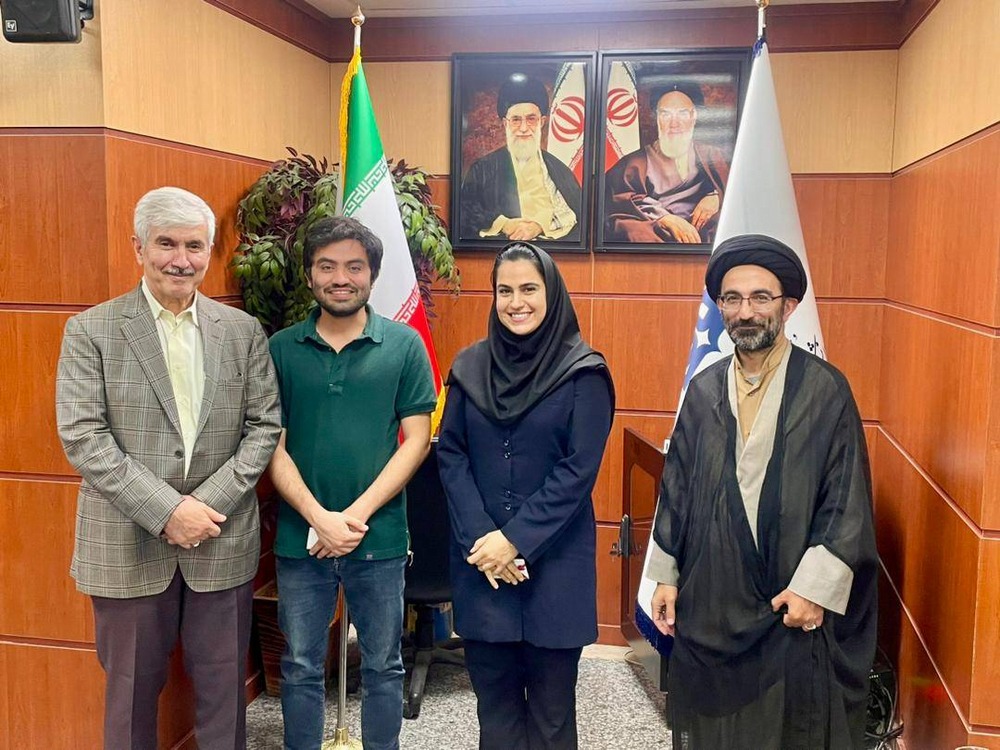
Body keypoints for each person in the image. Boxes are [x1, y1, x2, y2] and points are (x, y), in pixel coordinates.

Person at [55, 186, 283, 749]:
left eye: (195, 246)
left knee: (225, 697)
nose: (181, 259)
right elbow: (83, 436)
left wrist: (203, 507)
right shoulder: (91, 331)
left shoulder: (242, 331)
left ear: (210, 251)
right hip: (126, 543)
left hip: (220, 538)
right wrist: (167, 512)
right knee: (130, 699)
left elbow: (264, 427)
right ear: (138, 247)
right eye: (166, 244)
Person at [648, 234, 878, 748]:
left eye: (760, 298)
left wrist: (814, 589)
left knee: (787, 724)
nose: (745, 312)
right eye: (732, 299)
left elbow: (845, 499)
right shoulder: (704, 390)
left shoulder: (825, 391)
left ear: (788, 306)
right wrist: (665, 576)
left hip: (788, 599)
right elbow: (676, 488)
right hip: (712, 598)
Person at [266, 216, 437, 750]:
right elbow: (270, 446)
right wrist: (319, 519)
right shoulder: (280, 349)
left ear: (372, 275)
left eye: (354, 267)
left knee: (384, 664)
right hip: (301, 539)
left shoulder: (405, 345)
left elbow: (417, 441)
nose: (340, 278)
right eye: (327, 266)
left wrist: (352, 517)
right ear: (309, 274)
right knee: (300, 664)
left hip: (378, 538)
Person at [438, 242, 615, 749]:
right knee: (494, 713)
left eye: (529, 289)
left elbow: (577, 471)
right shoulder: (468, 368)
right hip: (483, 568)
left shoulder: (585, 373)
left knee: (551, 717)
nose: (516, 302)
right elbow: (451, 454)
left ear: (551, 293)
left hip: (554, 571)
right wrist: (484, 540)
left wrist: (513, 541)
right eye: (505, 290)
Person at [460, 75, 583, 242]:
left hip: (550, 249)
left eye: (531, 119)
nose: (524, 128)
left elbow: (573, 215)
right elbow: (466, 213)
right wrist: (504, 224)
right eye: (516, 120)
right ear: (505, 124)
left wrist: (539, 226)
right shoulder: (482, 169)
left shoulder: (559, 170)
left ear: (542, 122)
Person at [604, 82, 729, 244]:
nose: (674, 123)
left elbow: (734, 189)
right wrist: (665, 218)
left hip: (701, 231)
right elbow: (620, 201)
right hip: (657, 230)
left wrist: (716, 197)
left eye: (683, 113)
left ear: (694, 116)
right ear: (657, 118)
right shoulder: (634, 162)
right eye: (666, 114)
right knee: (633, 230)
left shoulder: (712, 155)